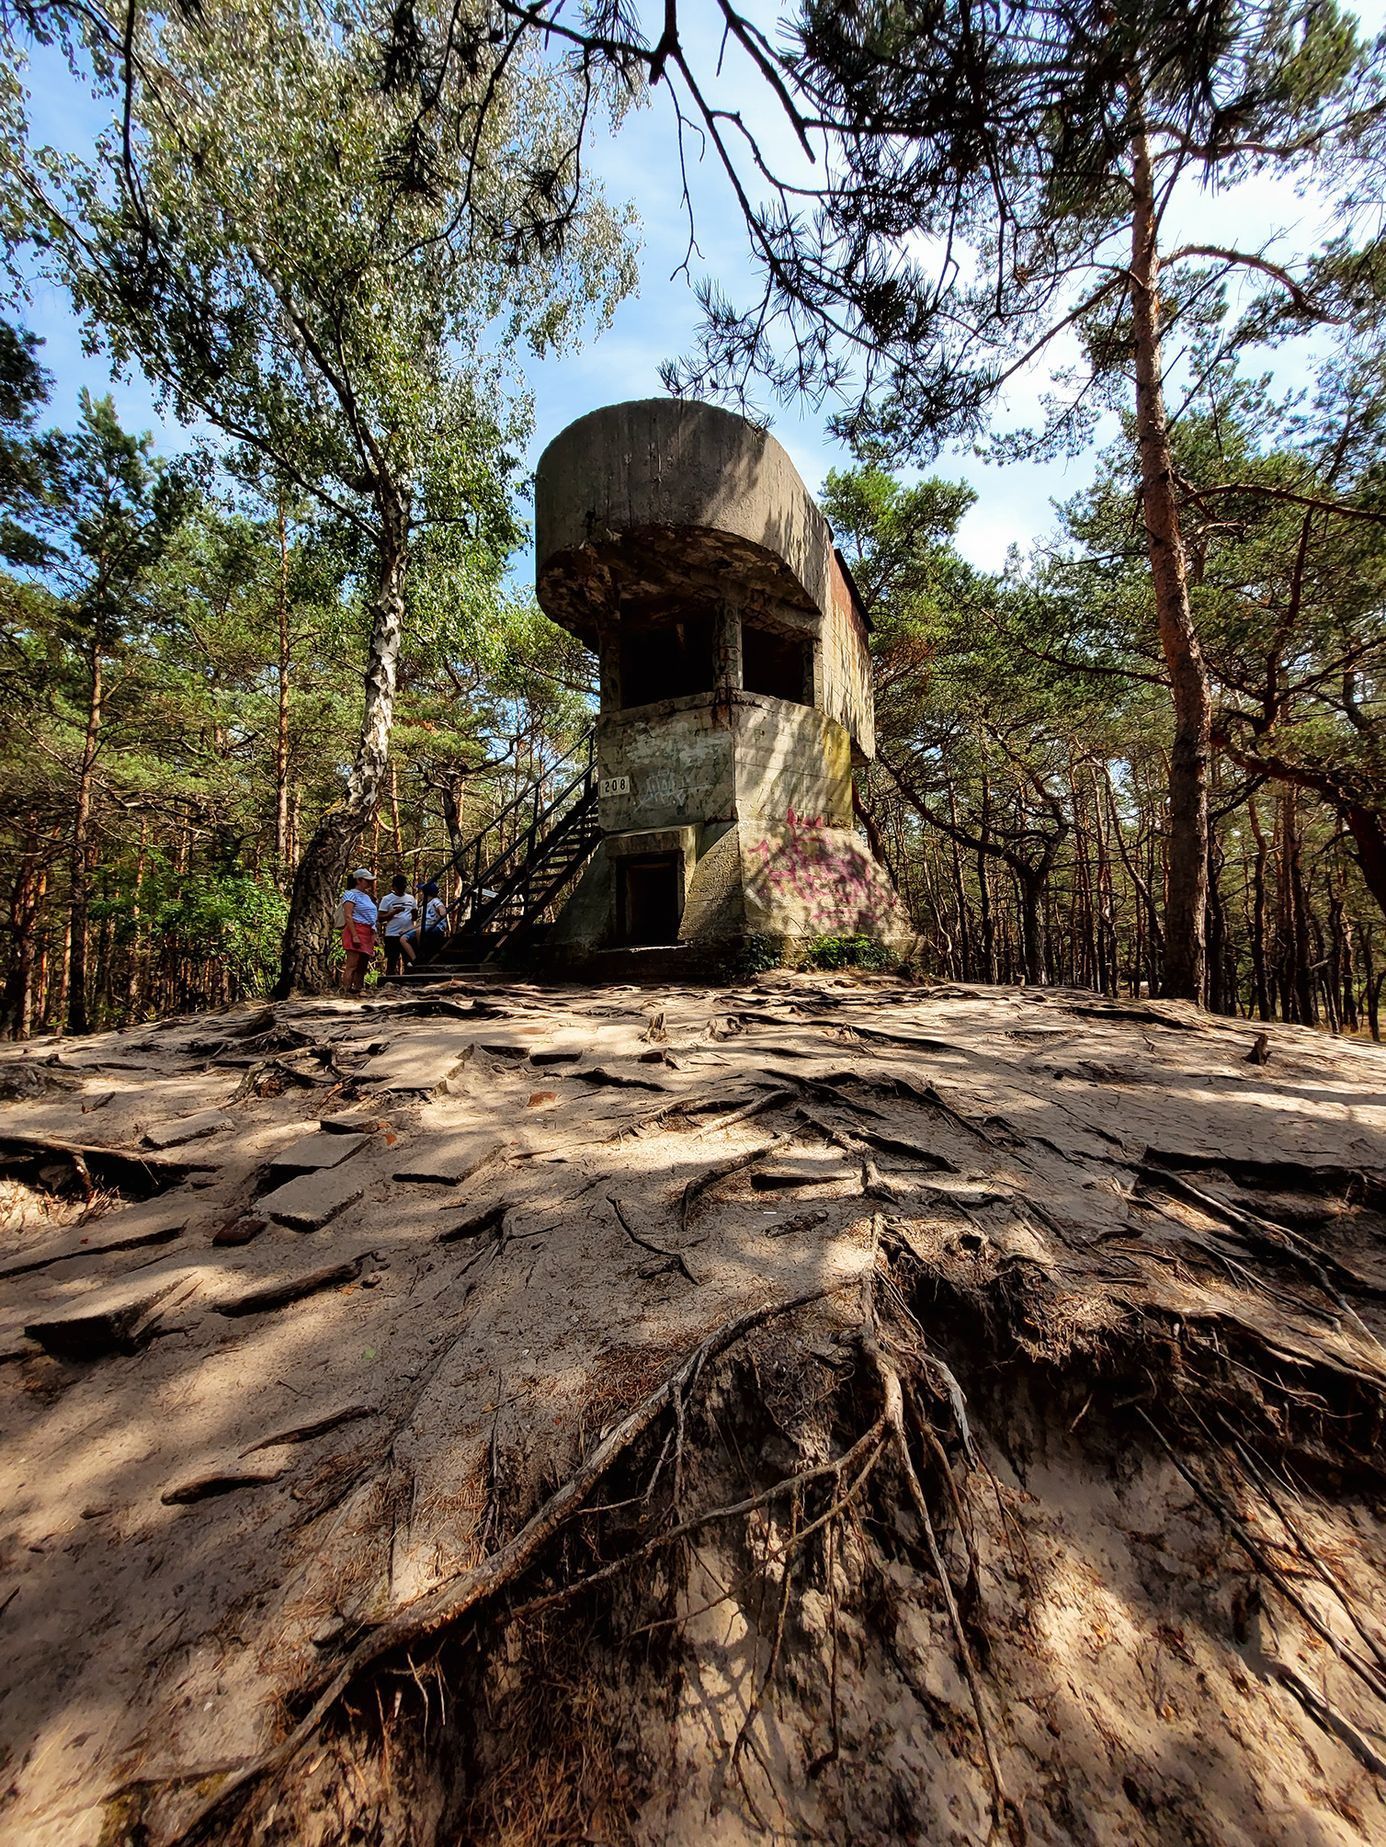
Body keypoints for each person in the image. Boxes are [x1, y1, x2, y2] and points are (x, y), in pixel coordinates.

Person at [338, 868, 377, 995]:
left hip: (367, 931)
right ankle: (346, 990)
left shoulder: (366, 896)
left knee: (362, 964)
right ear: (358, 880)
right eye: (367, 881)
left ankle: (358, 988)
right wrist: (354, 935)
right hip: (355, 929)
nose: (369, 883)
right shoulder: (350, 894)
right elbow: (348, 915)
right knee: (352, 964)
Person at [377, 872, 419, 979]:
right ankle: (389, 982)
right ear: (394, 887)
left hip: (407, 934)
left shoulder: (410, 898)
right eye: (399, 887)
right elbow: (380, 918)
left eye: (404, 887)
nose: (402, 889)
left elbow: (414, 917)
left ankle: (409, 981)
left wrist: (414, 913)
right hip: (392, 934)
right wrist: (393, 913)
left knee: (408, 960)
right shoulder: (387, 899)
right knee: (392, 960)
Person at [419, 880, 449, 962]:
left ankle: (420, 953)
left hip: (437, 926)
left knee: (419, 931)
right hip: (427, 925)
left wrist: (442, 911)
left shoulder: (435, 901)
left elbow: (441, 909)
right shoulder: (424, 905)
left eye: (422, 892)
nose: (420, 894)